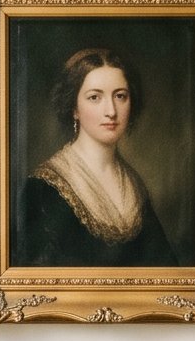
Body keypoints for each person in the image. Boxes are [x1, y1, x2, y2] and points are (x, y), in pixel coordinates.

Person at [17, 46, 177, 268]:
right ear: (74, 107)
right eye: (95, 97)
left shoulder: (134, 186)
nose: (111, 110)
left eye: (120, 96)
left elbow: (166, 272)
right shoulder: (42, 189)